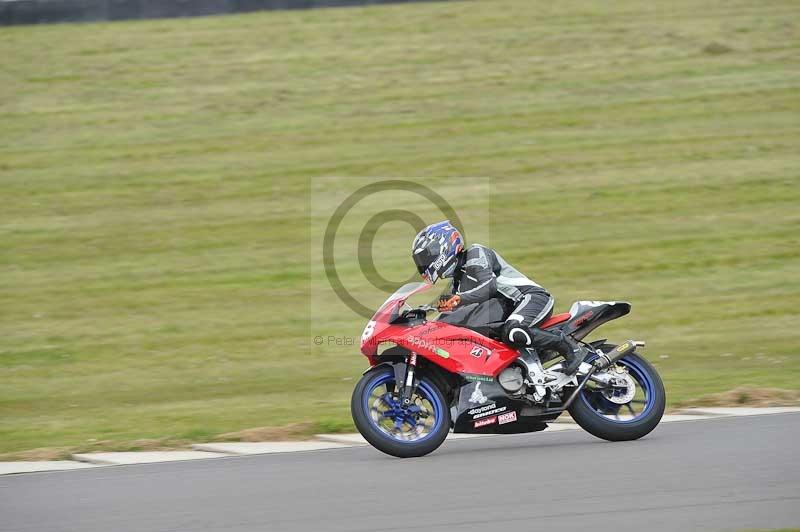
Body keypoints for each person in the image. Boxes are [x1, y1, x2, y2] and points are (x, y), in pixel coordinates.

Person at [411, 220, 586, 375]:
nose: (424, 264)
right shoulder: (457, 280)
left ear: (442, 248)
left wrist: (458, 299)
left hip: (531, 298)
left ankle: (569, 347)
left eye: (426, 257)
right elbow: (446, 311)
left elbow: (488, 286)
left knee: (513, 331)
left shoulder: (475, 254)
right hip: (510, 308)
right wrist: (421, 313)